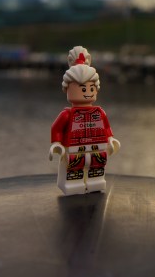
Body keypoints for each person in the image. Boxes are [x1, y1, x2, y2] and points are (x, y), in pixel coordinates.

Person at [49, 46, 120, 195]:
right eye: (82, 89)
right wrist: (57, 143)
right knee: (74, 168)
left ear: (96, 89)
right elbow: (56, 129)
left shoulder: (99, 112)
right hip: (75, 149)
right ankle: (73, 185)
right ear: (68, 90)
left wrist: (111, 139)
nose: (87, 93)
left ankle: (95, 183)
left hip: (97, 148)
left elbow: (106, 128)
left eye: (90, 88)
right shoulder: (67, 115)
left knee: (97, 167)